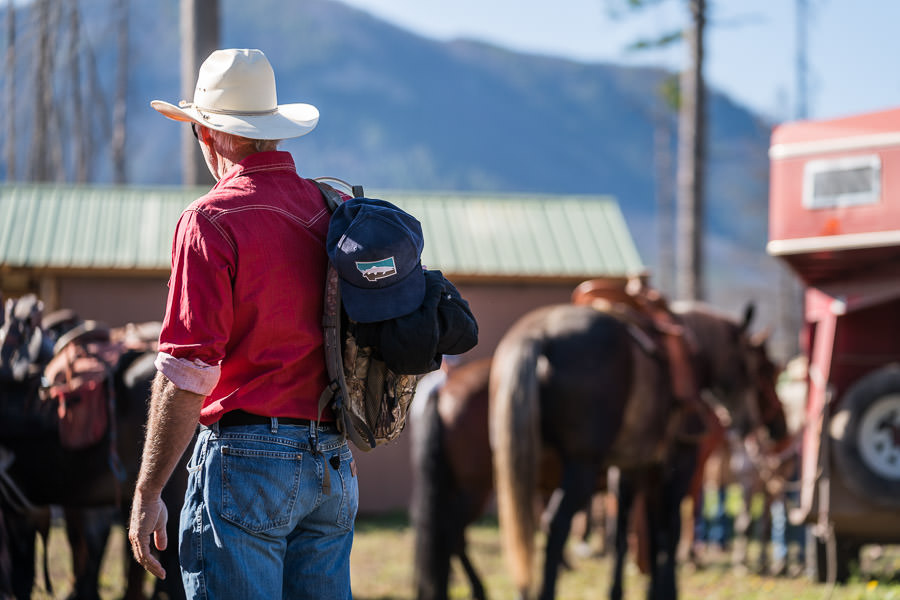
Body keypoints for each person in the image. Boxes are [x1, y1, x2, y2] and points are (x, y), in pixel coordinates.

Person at [128, 48, 358, 599]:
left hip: (247, 462)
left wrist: (148, 491)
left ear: (208, 134)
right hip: (332, 460)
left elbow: (187, 373)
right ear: (272, 132)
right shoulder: (331, 208)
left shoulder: (209, 220)